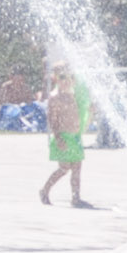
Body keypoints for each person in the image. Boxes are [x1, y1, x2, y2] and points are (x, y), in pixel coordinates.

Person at [40, 66, 87, 208]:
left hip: (74, 136)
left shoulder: (72, 95)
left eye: (69, 78)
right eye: (62, 78)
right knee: (64, 168)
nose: (66, 81)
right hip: (63, 136)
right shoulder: (55, 97)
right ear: (56, 79)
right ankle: (45, 190)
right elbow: (52, 119)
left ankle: (76, 197)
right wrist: (58, 137)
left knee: (77, 168)